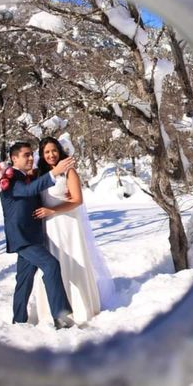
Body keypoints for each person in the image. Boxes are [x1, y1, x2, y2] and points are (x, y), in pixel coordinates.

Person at [30, 137, 115, 325]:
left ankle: (79, 307)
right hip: (48, 226)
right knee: (53, 265)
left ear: (59, 151)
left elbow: (77, 200)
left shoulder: (69, 172)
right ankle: (54, 309)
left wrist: (53, 210)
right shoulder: (39, 174)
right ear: (42, 156)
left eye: (54, 150)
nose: (51, 155)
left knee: (71, 261)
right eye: (46, 152)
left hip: (67, 223)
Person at [0, 141, 76, 329]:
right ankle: (61, 318)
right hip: (22, 237)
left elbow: (36, 190)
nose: (31, 158)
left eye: (31, 154)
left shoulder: (27, 176)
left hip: (33, 236)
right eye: (26, 155)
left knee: (24, 281)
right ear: (14, 158)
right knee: (51, 265)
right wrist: (54, 172)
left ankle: (18, 321)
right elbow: (27, 191)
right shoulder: (8, 180)